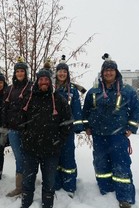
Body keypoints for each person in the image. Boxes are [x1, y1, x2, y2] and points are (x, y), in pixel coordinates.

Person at [82, 53, 139, 208]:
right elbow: (86, 110)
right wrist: (87, 126)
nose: (108, 73)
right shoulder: (94, 91)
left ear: (116, 72)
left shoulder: (127, 90)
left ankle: (125, 197)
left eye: (111, 70)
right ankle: (105, 192)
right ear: (102, 73)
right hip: (99, 135)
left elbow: (136, 110)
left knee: (121, 165)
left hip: (118, 135)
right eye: (105, 70)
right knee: (101, 165)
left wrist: (131, 127)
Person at [21, 65, 72, 208]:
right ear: (37, 81)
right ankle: (26, 203)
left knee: (49, 182)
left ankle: (48, 204)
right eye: (41, 79)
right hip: (31, 149)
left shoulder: (59, 99)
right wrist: (25, 137)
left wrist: (59, 141)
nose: (44, 82)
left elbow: (67, 123)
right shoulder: (29, 99)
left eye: (46, 79)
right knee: (27, 181)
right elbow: (21, 120)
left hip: (51, 150)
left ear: (50, 81)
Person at [1, 57, 33, 197]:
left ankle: (28, 185)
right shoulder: (9, 89)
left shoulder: (32, 87)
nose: (20, 73)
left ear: (26, 73)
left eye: (22, 71)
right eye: (17, 71)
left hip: (27, 129)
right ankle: (19, 186)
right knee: (19, 158)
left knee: (28, 157)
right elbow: (5, 109)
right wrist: (4, 125)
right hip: (13, 130)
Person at [54, 55, 85, 197]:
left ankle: (69, 186)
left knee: (68, 158)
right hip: (52, 131)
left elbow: (77, 109)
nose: (62, 74)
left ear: (67, 74)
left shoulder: (72, 90)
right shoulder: (50, 88)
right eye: (60, 71)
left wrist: (77, 126)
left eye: (64, 72)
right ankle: (55, 184)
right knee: (54, 158)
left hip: (67, 131)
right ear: (56, 73)